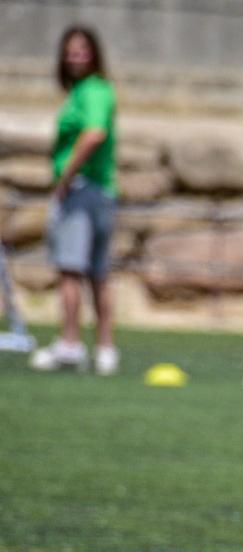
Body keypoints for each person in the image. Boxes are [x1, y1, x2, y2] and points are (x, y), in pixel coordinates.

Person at [31, 25, 118, 375]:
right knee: (97, 272)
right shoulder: (90, 90)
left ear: (95, 53)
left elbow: (95, 133)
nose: (74, 56)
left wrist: (66, 175)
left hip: (82, 191)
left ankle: (70, 344)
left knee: (71, 270)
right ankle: (105, 350)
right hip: (102, 191)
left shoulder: (92, 91)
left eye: (81, 50)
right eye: (70, 50)